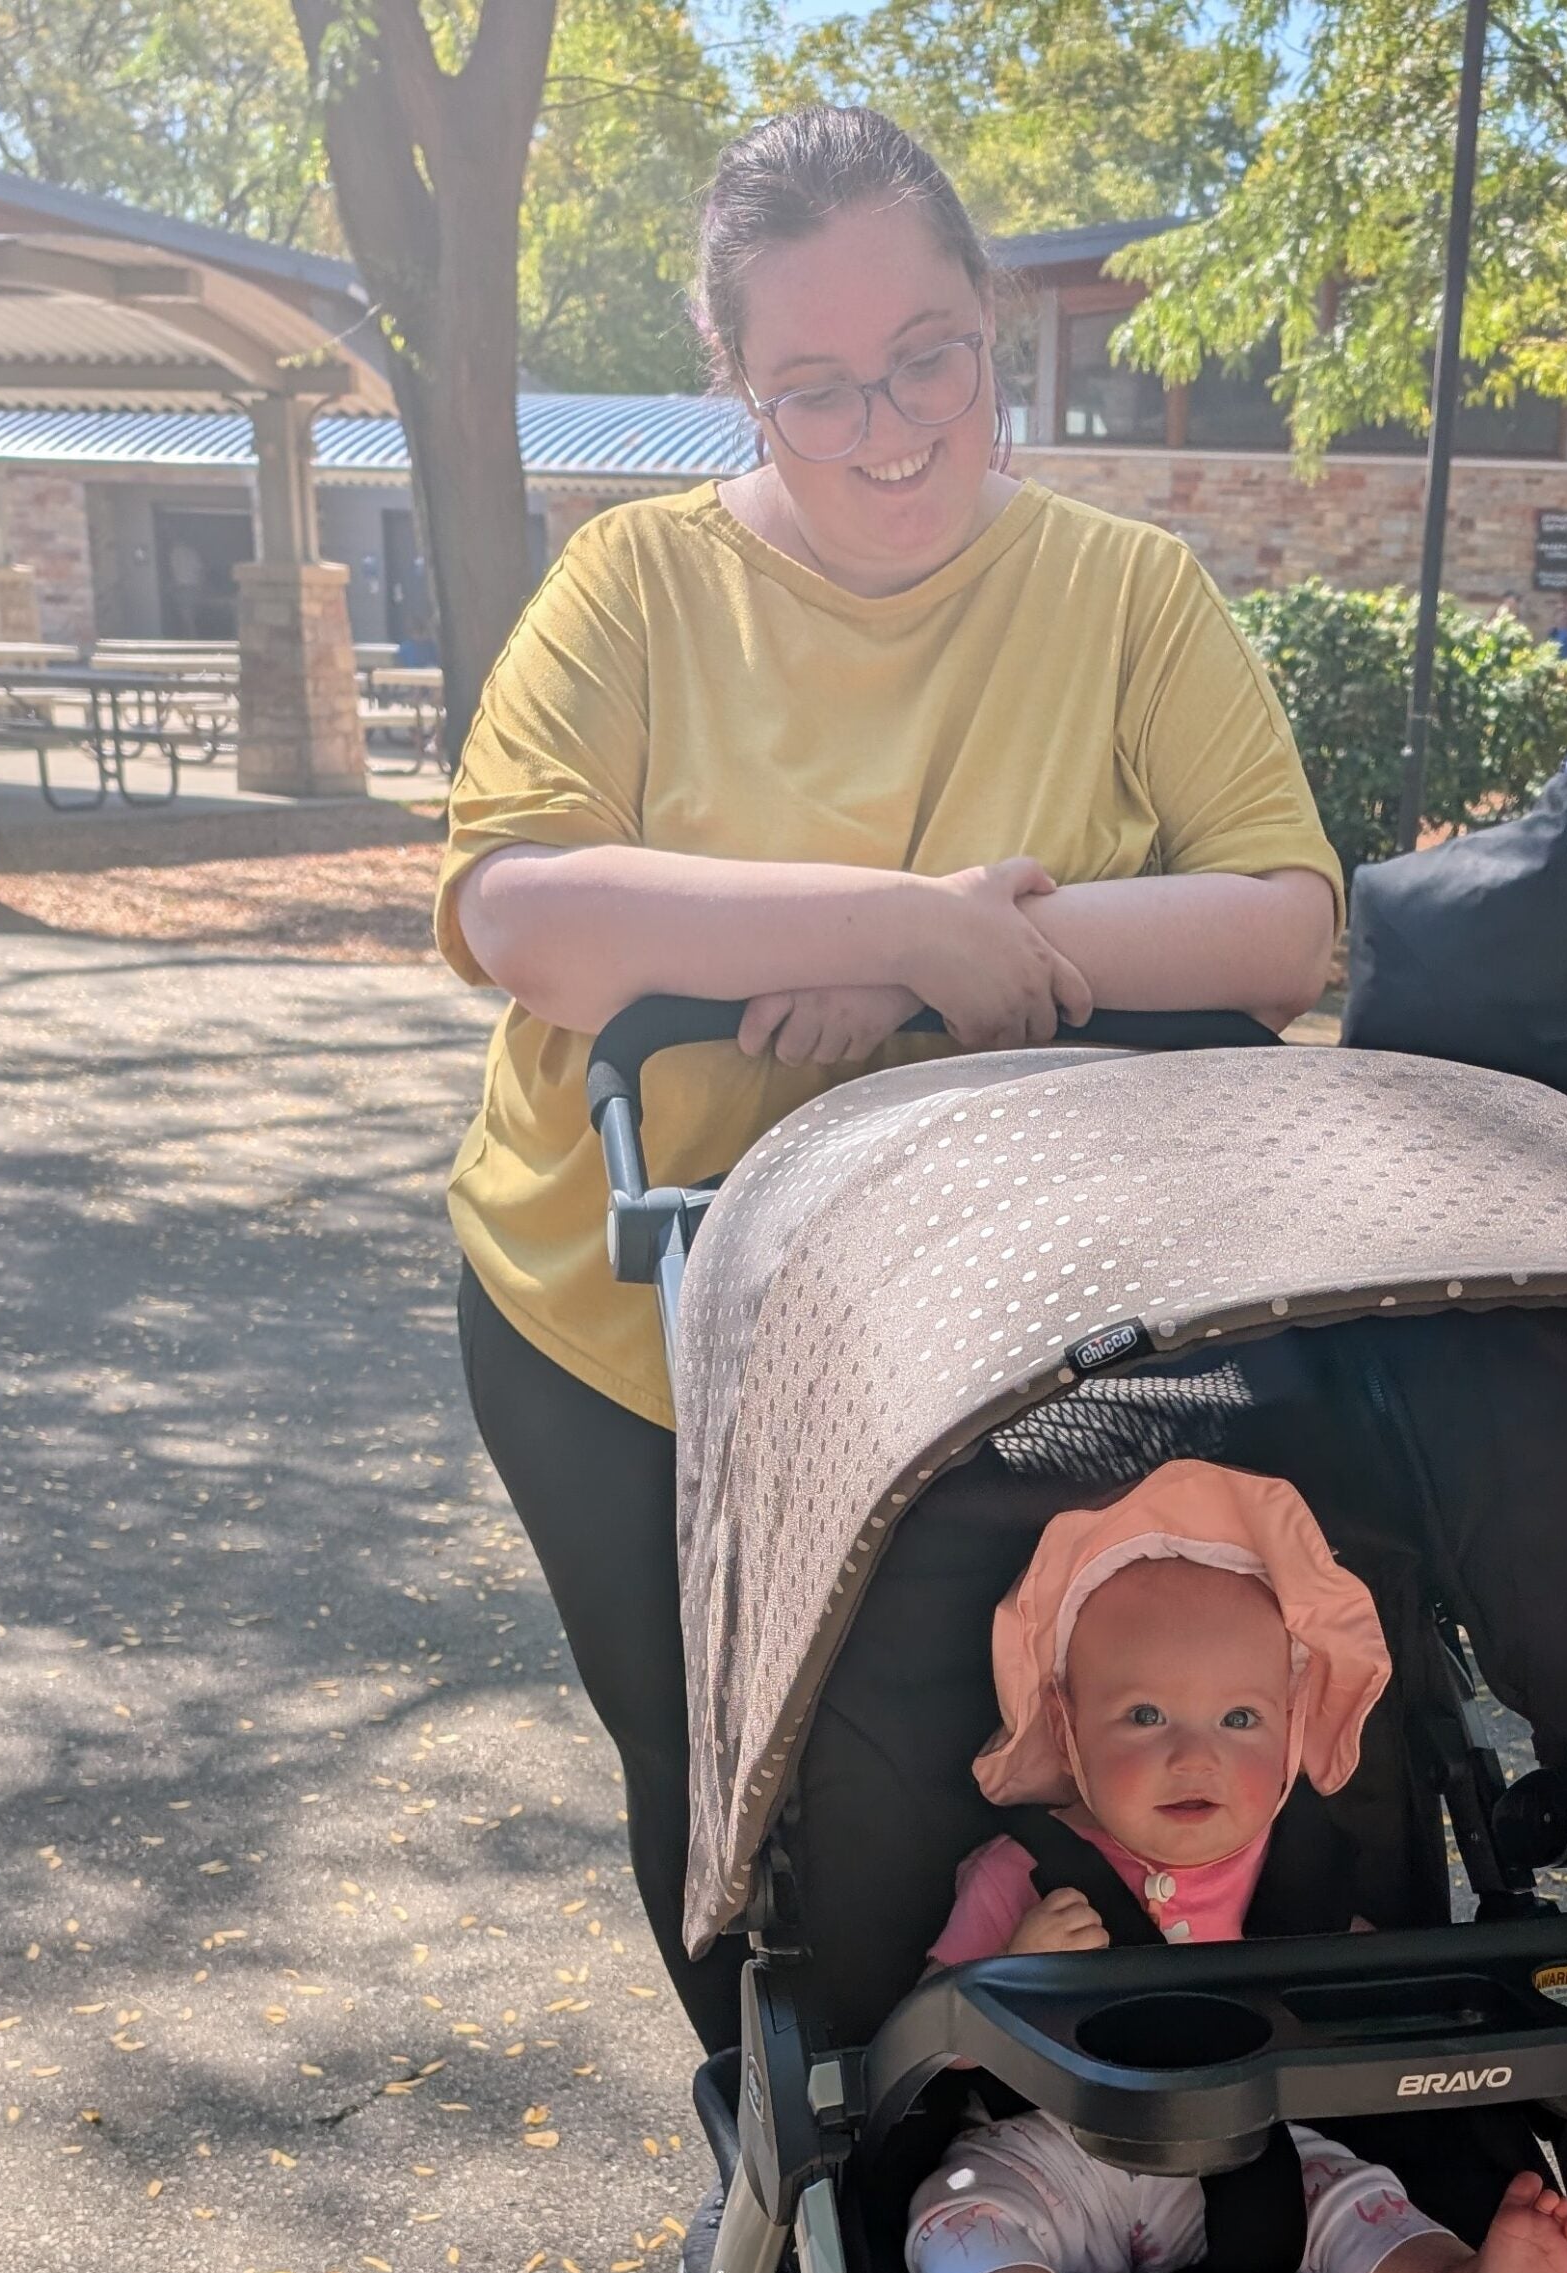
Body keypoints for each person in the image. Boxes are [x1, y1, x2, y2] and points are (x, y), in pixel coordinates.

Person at [434, 106, 1344, 2072]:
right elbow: (522, 914)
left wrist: (934, 969)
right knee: (716, 1775)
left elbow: (1282, 922)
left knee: (986, 1746)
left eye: (928, 357)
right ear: (736, 384)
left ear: (987, 320)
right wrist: (897, 923)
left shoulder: (1125, 593)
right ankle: (778, 2141)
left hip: (1006, 1323)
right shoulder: (631, 585)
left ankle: (985, 2128)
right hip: (626, 1319)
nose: (887, 429)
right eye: (815, 388)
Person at [904, 1462, 1567, 2273]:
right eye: (1144, 1715)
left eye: (1240, 1719)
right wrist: (1007, 1975)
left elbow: (1379, 2000)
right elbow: (922, 2049)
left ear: (1291, 1724)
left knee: (1357, 2203)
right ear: (1065, 1723)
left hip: (1260, 2162)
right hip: (1061, 2160)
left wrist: (1393, 1998)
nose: (1194, 1755)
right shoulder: (1018, 1874)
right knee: (958, 2205)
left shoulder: (1305, 1874)